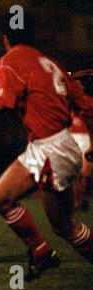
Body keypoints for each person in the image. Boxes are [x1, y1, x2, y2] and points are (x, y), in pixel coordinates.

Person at [0, 13, 93, 281]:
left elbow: (6, 98)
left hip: (51, 149)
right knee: (11, 203)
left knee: (57, 224)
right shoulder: (51, 64)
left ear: (5, 38)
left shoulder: (10, 60)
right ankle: (41, 252)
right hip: (56, 146)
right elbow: (87, 107)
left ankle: (42, 252)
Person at [70, 70, 93, 211]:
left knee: (86, 174)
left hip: (86, 139)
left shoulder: (88, 102)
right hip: (71, 138)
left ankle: (84, 198)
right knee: (73, 174)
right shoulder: (70, 101)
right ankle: (76, 202)